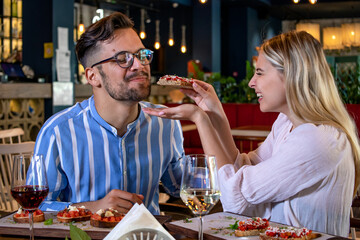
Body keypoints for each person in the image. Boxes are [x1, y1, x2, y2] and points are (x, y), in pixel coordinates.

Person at [143, 30, 360, 237]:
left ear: (292, 75)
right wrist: (215, 112)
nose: (251, 82)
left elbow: (234, 197)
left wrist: (200, 119)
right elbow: (242, 166)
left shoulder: (317, 139)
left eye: (259, 72)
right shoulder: (286, 123)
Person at [31, 12, 184, 215]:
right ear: (93, 76)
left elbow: (181, 188)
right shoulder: (58, 131)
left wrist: (209, 120)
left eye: (142, 55)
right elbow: (34, 208)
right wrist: (92, 208)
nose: (140, 65)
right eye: (123, 58)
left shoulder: (166, 122)